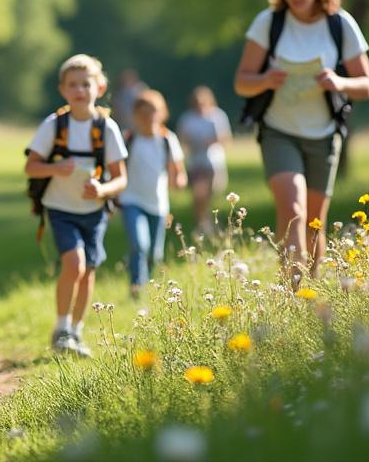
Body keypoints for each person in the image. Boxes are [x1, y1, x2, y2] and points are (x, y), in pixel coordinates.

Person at [234, 0, 369, 282]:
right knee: (293, 209)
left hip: (324, 134)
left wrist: (338, 81)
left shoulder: (340, 24)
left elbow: (368, 85)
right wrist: (266, 79)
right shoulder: (269, 23)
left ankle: (310, 289)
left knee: (314, 223)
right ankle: (291, 290)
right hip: (278, 131)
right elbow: (242, 82)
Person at [24, 54, 128, 357]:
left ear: (100, 86)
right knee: (75, 264)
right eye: (73, 85)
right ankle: (61, 328)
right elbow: (31, 167)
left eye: (86, 84)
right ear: (62, 89)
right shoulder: (54, 125)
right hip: (60, 208)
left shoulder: (106, 128)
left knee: (88, 271)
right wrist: (56, 169)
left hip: (94, 212)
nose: (80, 90)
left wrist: (102, 189)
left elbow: (121, 179)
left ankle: (77, 332)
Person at [118, 90, 186, 298]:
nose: (148, 117)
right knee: (140, 244)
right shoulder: (128, 139)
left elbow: (178, 170)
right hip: (130, 200)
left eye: (153, 112)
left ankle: (147, 285)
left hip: (157, 204)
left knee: (155, 254)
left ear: (162, 113)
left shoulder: (167, 139)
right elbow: (117, 168)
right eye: (143, 112)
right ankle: (136, 288)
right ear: (136, 115)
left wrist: (179, 181)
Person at [176, 86, 233, 240]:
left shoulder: (217, 116)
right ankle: (202, 224)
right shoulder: (187, 118)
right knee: (199, 194)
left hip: (213, 161)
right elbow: (182, 139)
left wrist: (210, 141)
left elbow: (225, 137)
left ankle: (208, 222)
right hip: (196, 162)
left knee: (209, 194)